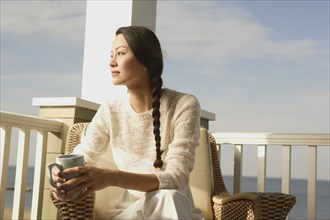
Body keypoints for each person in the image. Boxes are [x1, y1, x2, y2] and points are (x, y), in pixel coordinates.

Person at [51, 25, 203, 219]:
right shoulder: (110, 110)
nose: (111, 62)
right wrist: (62, 176)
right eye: (111, 54)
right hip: (128, 214)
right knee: (169, 198)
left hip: (173, 207)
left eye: (120, 53)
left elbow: (176, 177)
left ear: (145, 61)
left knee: (169, 196)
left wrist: (112, 177)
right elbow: (85, 154)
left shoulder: (184, 105)